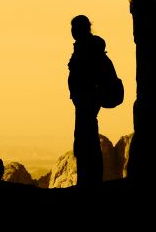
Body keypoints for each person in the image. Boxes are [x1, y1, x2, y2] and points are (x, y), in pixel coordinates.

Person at [67, 15, 107, 187]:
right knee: (85, 137)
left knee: (85, 139)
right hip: (84, 100)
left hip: (87, 100)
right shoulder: (86, 46)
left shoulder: (87, 48)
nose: (73, 32)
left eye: (75, 28)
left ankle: (89, 179)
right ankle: (89, 178)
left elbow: (85, 74)